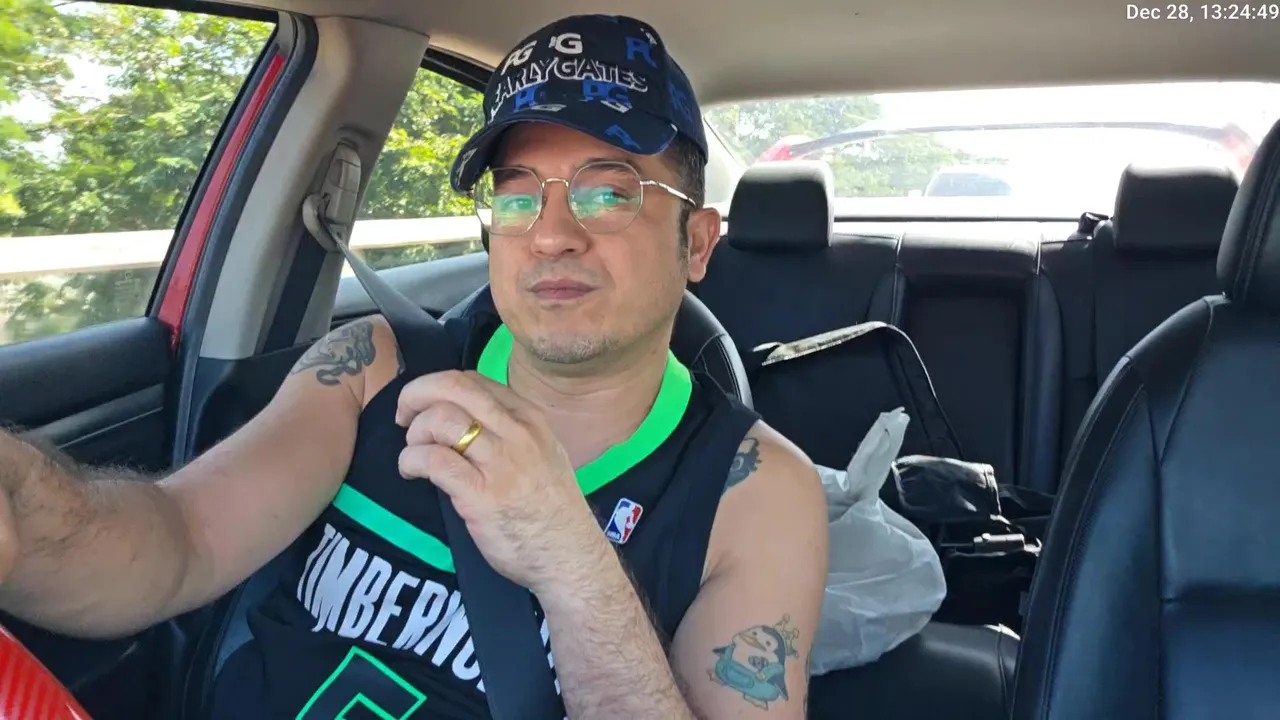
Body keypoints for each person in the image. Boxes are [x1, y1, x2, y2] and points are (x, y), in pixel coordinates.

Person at [0, 13, 828, 719]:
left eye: (609, 192)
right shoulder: (371, 367)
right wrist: (25, 513)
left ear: (696, 242)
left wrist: (569, 557)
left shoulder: (754, 494)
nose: (550, 234)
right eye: (517, 194)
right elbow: (183, 539)